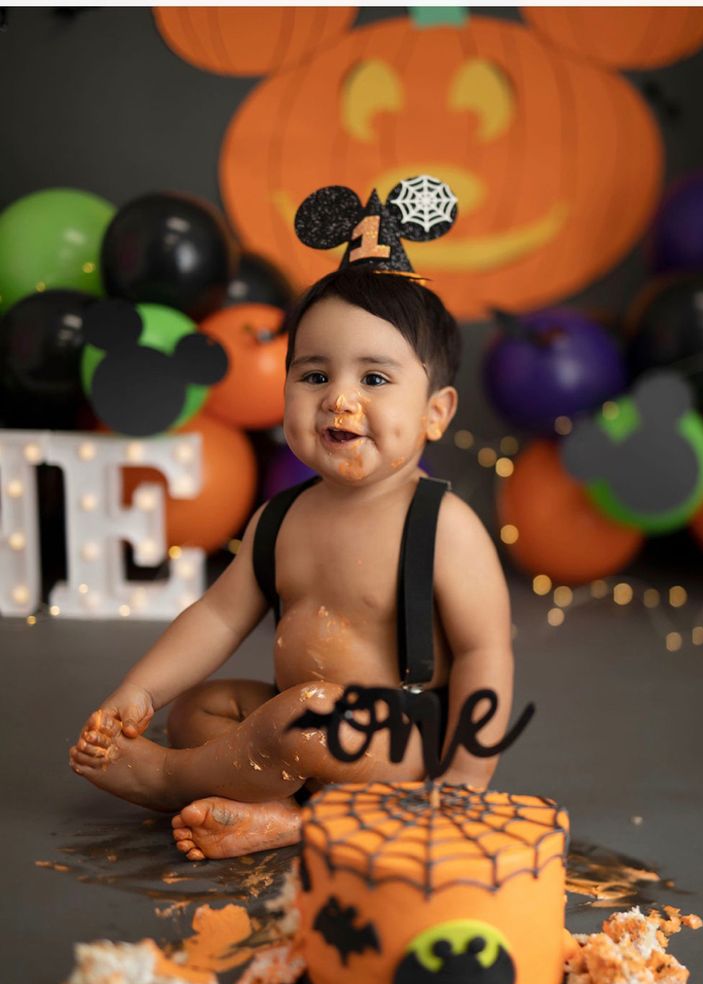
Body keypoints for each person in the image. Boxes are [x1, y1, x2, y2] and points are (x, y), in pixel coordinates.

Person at [69, 267, 514, 861]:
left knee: (307, 719)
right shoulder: (280, 518)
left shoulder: (442, 526)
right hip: (297, 724)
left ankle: (168, 780)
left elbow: (486, 654)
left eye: (375, 377)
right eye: (314, 374)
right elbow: (218, 618)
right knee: (201, 709)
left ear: (436, 412)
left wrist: (464, 779)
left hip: (398, 739)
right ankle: (289, 818)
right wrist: (141, 691)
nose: (339, 398)